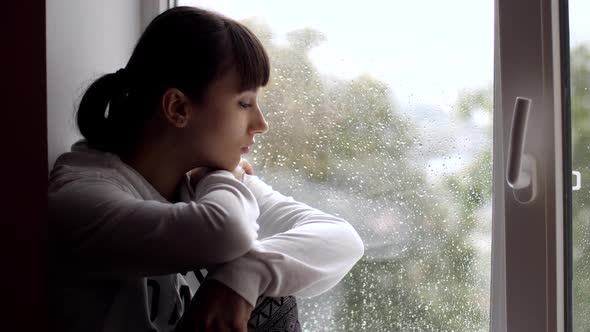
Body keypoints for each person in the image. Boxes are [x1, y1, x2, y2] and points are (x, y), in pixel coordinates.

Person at [47, 6, 364, 332]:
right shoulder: (83, 199)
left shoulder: (200, 178)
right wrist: (224, 178)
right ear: (178, 108)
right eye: (244, 103)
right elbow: (227, 232)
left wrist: (246, 274)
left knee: (267, 278)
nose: (261, 124)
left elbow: (342, 239)